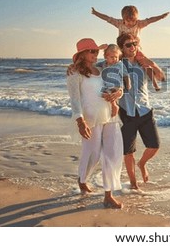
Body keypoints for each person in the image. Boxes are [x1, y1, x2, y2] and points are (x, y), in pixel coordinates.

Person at [66, 38, 124, 208]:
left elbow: (112, 86)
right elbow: (75, 100)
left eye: (95, 51)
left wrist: (116, 96)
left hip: (110, 115)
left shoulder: (100, 69)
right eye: (90, 51)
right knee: (92, 153)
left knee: (112, 153)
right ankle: (82, 178)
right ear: (82, 54)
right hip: (91, 118)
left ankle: (108, 194)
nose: (95, 53)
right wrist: (80, 121)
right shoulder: (74, 73)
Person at [117, 33, 160, 190]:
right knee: (128, 151)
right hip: (127, 111)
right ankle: (134, 183)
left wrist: (153, 64)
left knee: (154, 146)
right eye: (128, 44)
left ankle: (142, 164)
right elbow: (98, 66)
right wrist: (76, 65)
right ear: (122, 47)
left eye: (134, 43)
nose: (132, 47)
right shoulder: (117, 64)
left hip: (145, 109)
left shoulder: (143, 64)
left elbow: (161, 78)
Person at [91, 5, 169, 91]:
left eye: (133, 21)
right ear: (123, 19)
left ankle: (155, 84)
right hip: (120, 49)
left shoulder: (139, 24)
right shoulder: (119, 23)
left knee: (146, 65)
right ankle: (115, 86)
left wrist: (161, 17)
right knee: (114, 61)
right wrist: (96, 13)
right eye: (128, 21)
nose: (130, 23)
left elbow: (150, 20)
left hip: (138, 51)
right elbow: (107, 18)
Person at [97, 44, 131, 118]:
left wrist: (128, 84)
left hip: (117, 85)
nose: (114, 59)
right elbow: (93, 65)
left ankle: (114, 106)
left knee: (113, 93)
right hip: (106, 85)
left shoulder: (120, 65)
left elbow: (126, 75)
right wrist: (97, 49)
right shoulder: (103, 64)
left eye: (116, 57)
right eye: (112, 57)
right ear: (106, 57)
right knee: (104, 93)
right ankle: (112, 107)